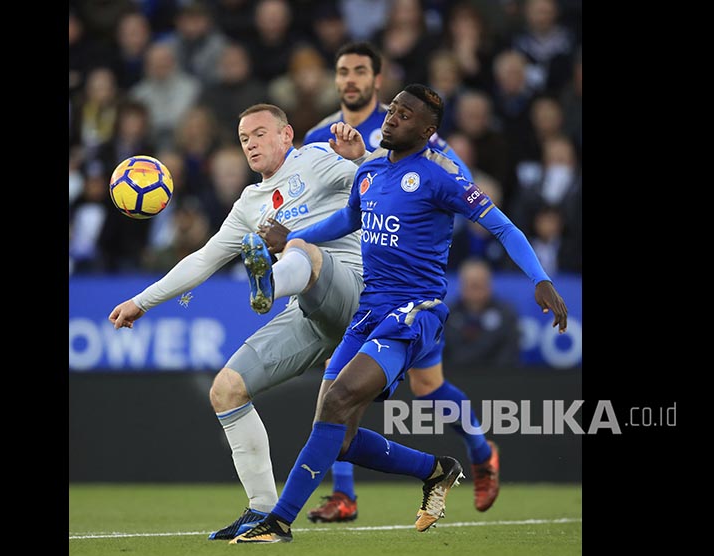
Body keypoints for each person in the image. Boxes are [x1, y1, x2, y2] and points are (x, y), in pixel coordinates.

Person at [231, 84, 567, 543]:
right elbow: (349, 220)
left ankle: (280, 520)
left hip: (415, 312)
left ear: (428, 131)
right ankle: (436, 470)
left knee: (337, 402)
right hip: (370, 309)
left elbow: (502, 226)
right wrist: (294, 236)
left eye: (405, 116)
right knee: (339, 437)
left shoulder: (439, 177)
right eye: (392, 111)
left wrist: (540, 279)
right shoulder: (368, 170)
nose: (391, 119)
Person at [109, 103, 371, 541]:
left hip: (357, 294)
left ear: (287, 135)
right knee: (226, 389)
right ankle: (262, 513)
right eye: (244, 138)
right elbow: (203, 260)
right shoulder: (249, 204)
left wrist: (359, 157)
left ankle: (269, 278)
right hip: (309, 311)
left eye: (260, 134)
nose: (250, 143)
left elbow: (380, 186)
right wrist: (142, 301)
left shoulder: (316, 159)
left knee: (301, 248)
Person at [302, 40, 502, 523]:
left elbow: (458, 180)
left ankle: (478, 449)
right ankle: (345, 492)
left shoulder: (403, 126)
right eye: (343, 70)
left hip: (406, 276)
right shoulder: (315, 134)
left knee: (421, 386)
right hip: (350, 265)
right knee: (344, 379)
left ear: (377, 77)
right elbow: (314, 204)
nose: (350, 79)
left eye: (360, 71)